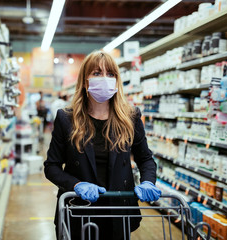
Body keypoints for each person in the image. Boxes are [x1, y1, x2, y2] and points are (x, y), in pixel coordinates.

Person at [43, 50, 161, 240]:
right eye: (97, 73)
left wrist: (148, 181)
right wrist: (76, 184)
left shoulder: (130, 117)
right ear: (84, 80)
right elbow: (51, 167)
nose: (104, 79)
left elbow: (145, 159)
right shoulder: (66, 119)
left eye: (110, 74)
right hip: (78, 210)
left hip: (118, 210)